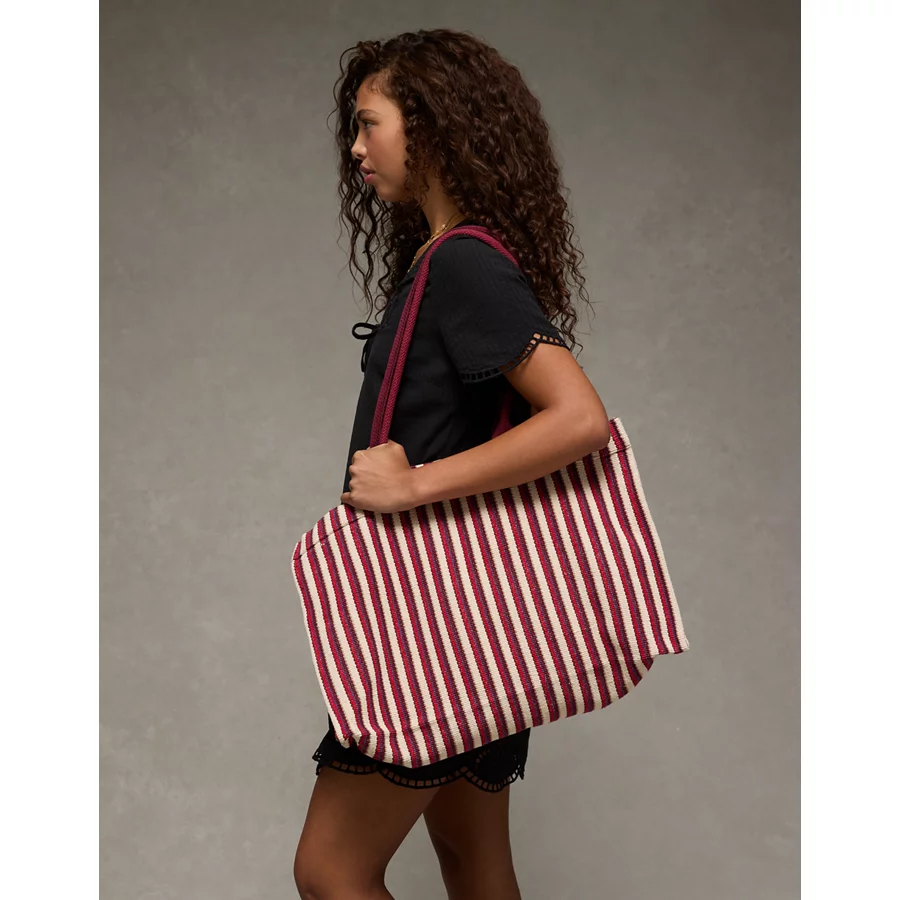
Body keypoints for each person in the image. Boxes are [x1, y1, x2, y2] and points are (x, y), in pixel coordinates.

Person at [293, 28, 610, 900]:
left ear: (429, 125)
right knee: (476, 868)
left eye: (370, 124)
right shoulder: (445, 260)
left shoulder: (463, 262)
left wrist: (414, 485)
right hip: (475, 621)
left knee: (330, 870)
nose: (356, 149)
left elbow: (579, 418)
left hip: (431, 628)